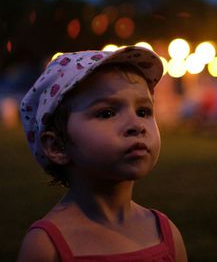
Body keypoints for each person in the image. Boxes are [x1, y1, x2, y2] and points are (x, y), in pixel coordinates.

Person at [17, 46, 188, 262]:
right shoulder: (46, 246)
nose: (136, 124)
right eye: (107, 113)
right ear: (57, 146)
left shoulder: (166, 233)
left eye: (143, 111)